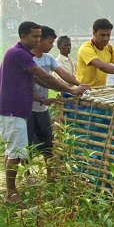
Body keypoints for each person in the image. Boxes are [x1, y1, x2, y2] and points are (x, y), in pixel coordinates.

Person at [0, 21, 88, 203]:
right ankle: (10, 192)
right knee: (16, 152)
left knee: (20, 149)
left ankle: (14, 188)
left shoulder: (23, 54)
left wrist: (64, 89)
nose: (38, 40)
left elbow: (41, 81)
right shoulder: (19, 54)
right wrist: (71, 90)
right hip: (12, 109)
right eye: (35, 36)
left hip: (18, 109)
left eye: (40, 36)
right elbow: (44, 75)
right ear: (23, 37)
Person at [29, 26, 89, 181]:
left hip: (42, 108)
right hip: (27, 108)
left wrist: (78, 84)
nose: (51, 45)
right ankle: (27, 175)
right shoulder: (28, 59)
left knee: (48, 142)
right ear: (40, 40)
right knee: (26, 144)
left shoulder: (48, 59)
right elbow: (43, 81)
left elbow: (63, 74)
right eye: (50, 42)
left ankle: (50, 175)